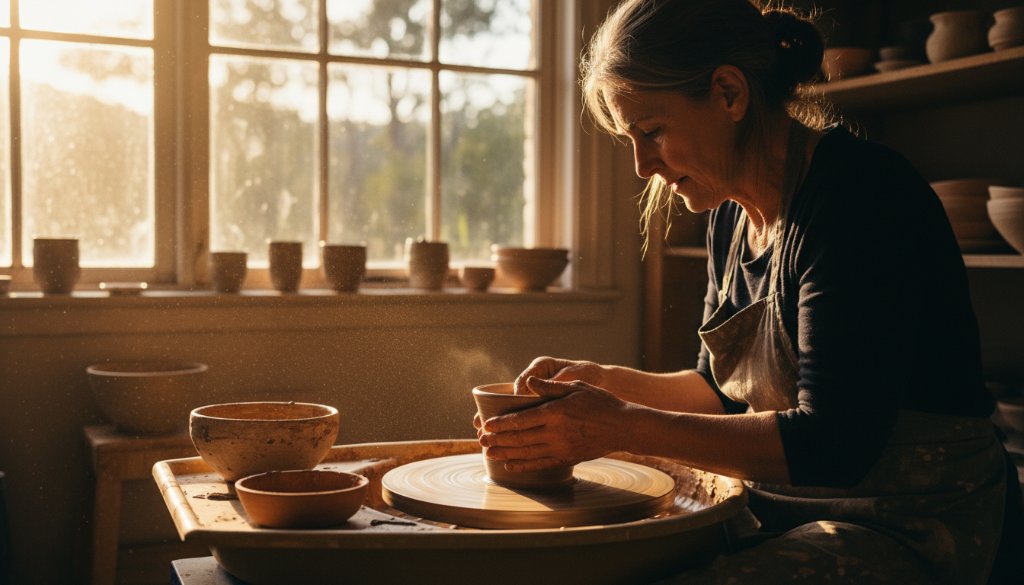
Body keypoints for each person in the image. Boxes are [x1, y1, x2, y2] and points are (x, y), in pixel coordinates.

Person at [474, 0, 1024, 583]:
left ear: (729, 94)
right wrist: (600, 384)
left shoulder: (858, 197)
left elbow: (834, 443)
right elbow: (719, 390)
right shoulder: (730, 216)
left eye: (652, 131)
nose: (640, 165)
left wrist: (615, 424)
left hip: (915, 523)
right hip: (788, 507)